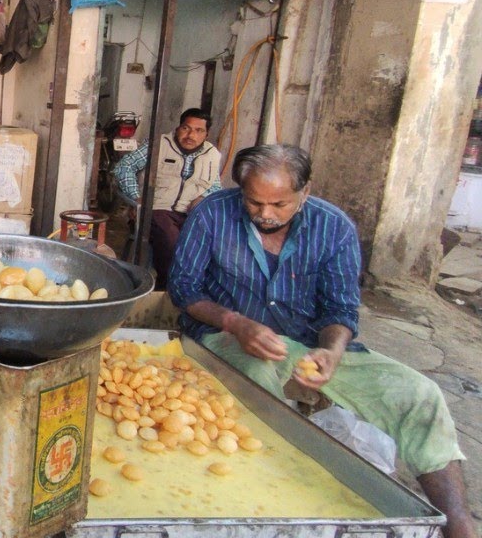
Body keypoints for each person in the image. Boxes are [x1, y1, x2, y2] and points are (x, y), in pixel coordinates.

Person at [169, 144, 476, 538]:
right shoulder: (212, 214)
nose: (265, 213)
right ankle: (268, 512)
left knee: (419, 393)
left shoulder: (334, 228)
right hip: (227, 339)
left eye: (279, 203)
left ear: (305, 192)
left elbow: (341, 310)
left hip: (309, 346)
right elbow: (184, 290)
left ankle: (458, 525)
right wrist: (236, 323)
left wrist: (331, 351)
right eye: (254, 201)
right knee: (257, 395)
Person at [112, 107, 222, 289]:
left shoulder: (212, 154)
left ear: (206, 135)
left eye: (198, 130)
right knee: (173, 240)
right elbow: (124, 167)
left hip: (191, 215)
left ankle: (193, 287)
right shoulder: (158, 145)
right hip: (157, 210)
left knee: (209, 244)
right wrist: (136, 197)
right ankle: (170, 286)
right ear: (178, 128)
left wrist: (204, 196)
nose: (190, 135)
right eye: (186, 128)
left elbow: (216, 186)